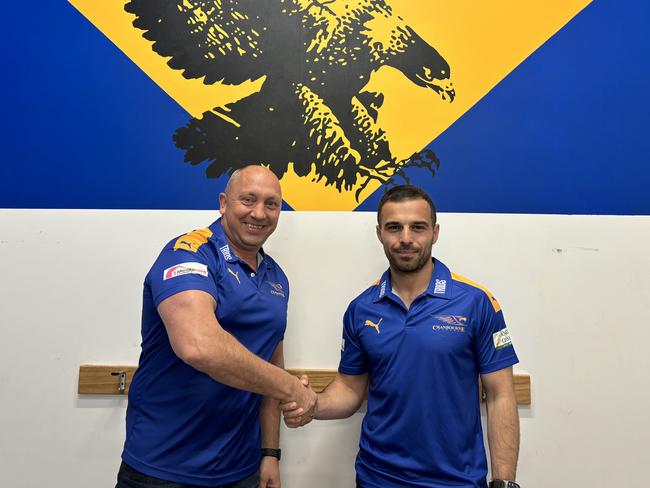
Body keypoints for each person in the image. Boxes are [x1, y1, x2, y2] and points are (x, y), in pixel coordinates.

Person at [282, 185, 521, 488]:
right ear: (380, 233)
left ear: (434, 233)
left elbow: (501, 395)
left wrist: (504, 482)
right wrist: (313, 404)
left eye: (417, 227)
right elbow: (349, 389)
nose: (406, 238)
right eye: (395, 228)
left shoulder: (477, 302)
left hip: (456, 480)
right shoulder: (361, 309)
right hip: (377, 478)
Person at [116, 165, 317, 488]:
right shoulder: (190, 253)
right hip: (163, 469)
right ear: (223, 203)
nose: (259, 213)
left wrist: (270, 453)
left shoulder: (277, 279)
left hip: (241, 469)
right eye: (248, 200)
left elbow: (269, 364)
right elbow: (199, 346)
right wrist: (292, 389)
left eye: (271, 204)